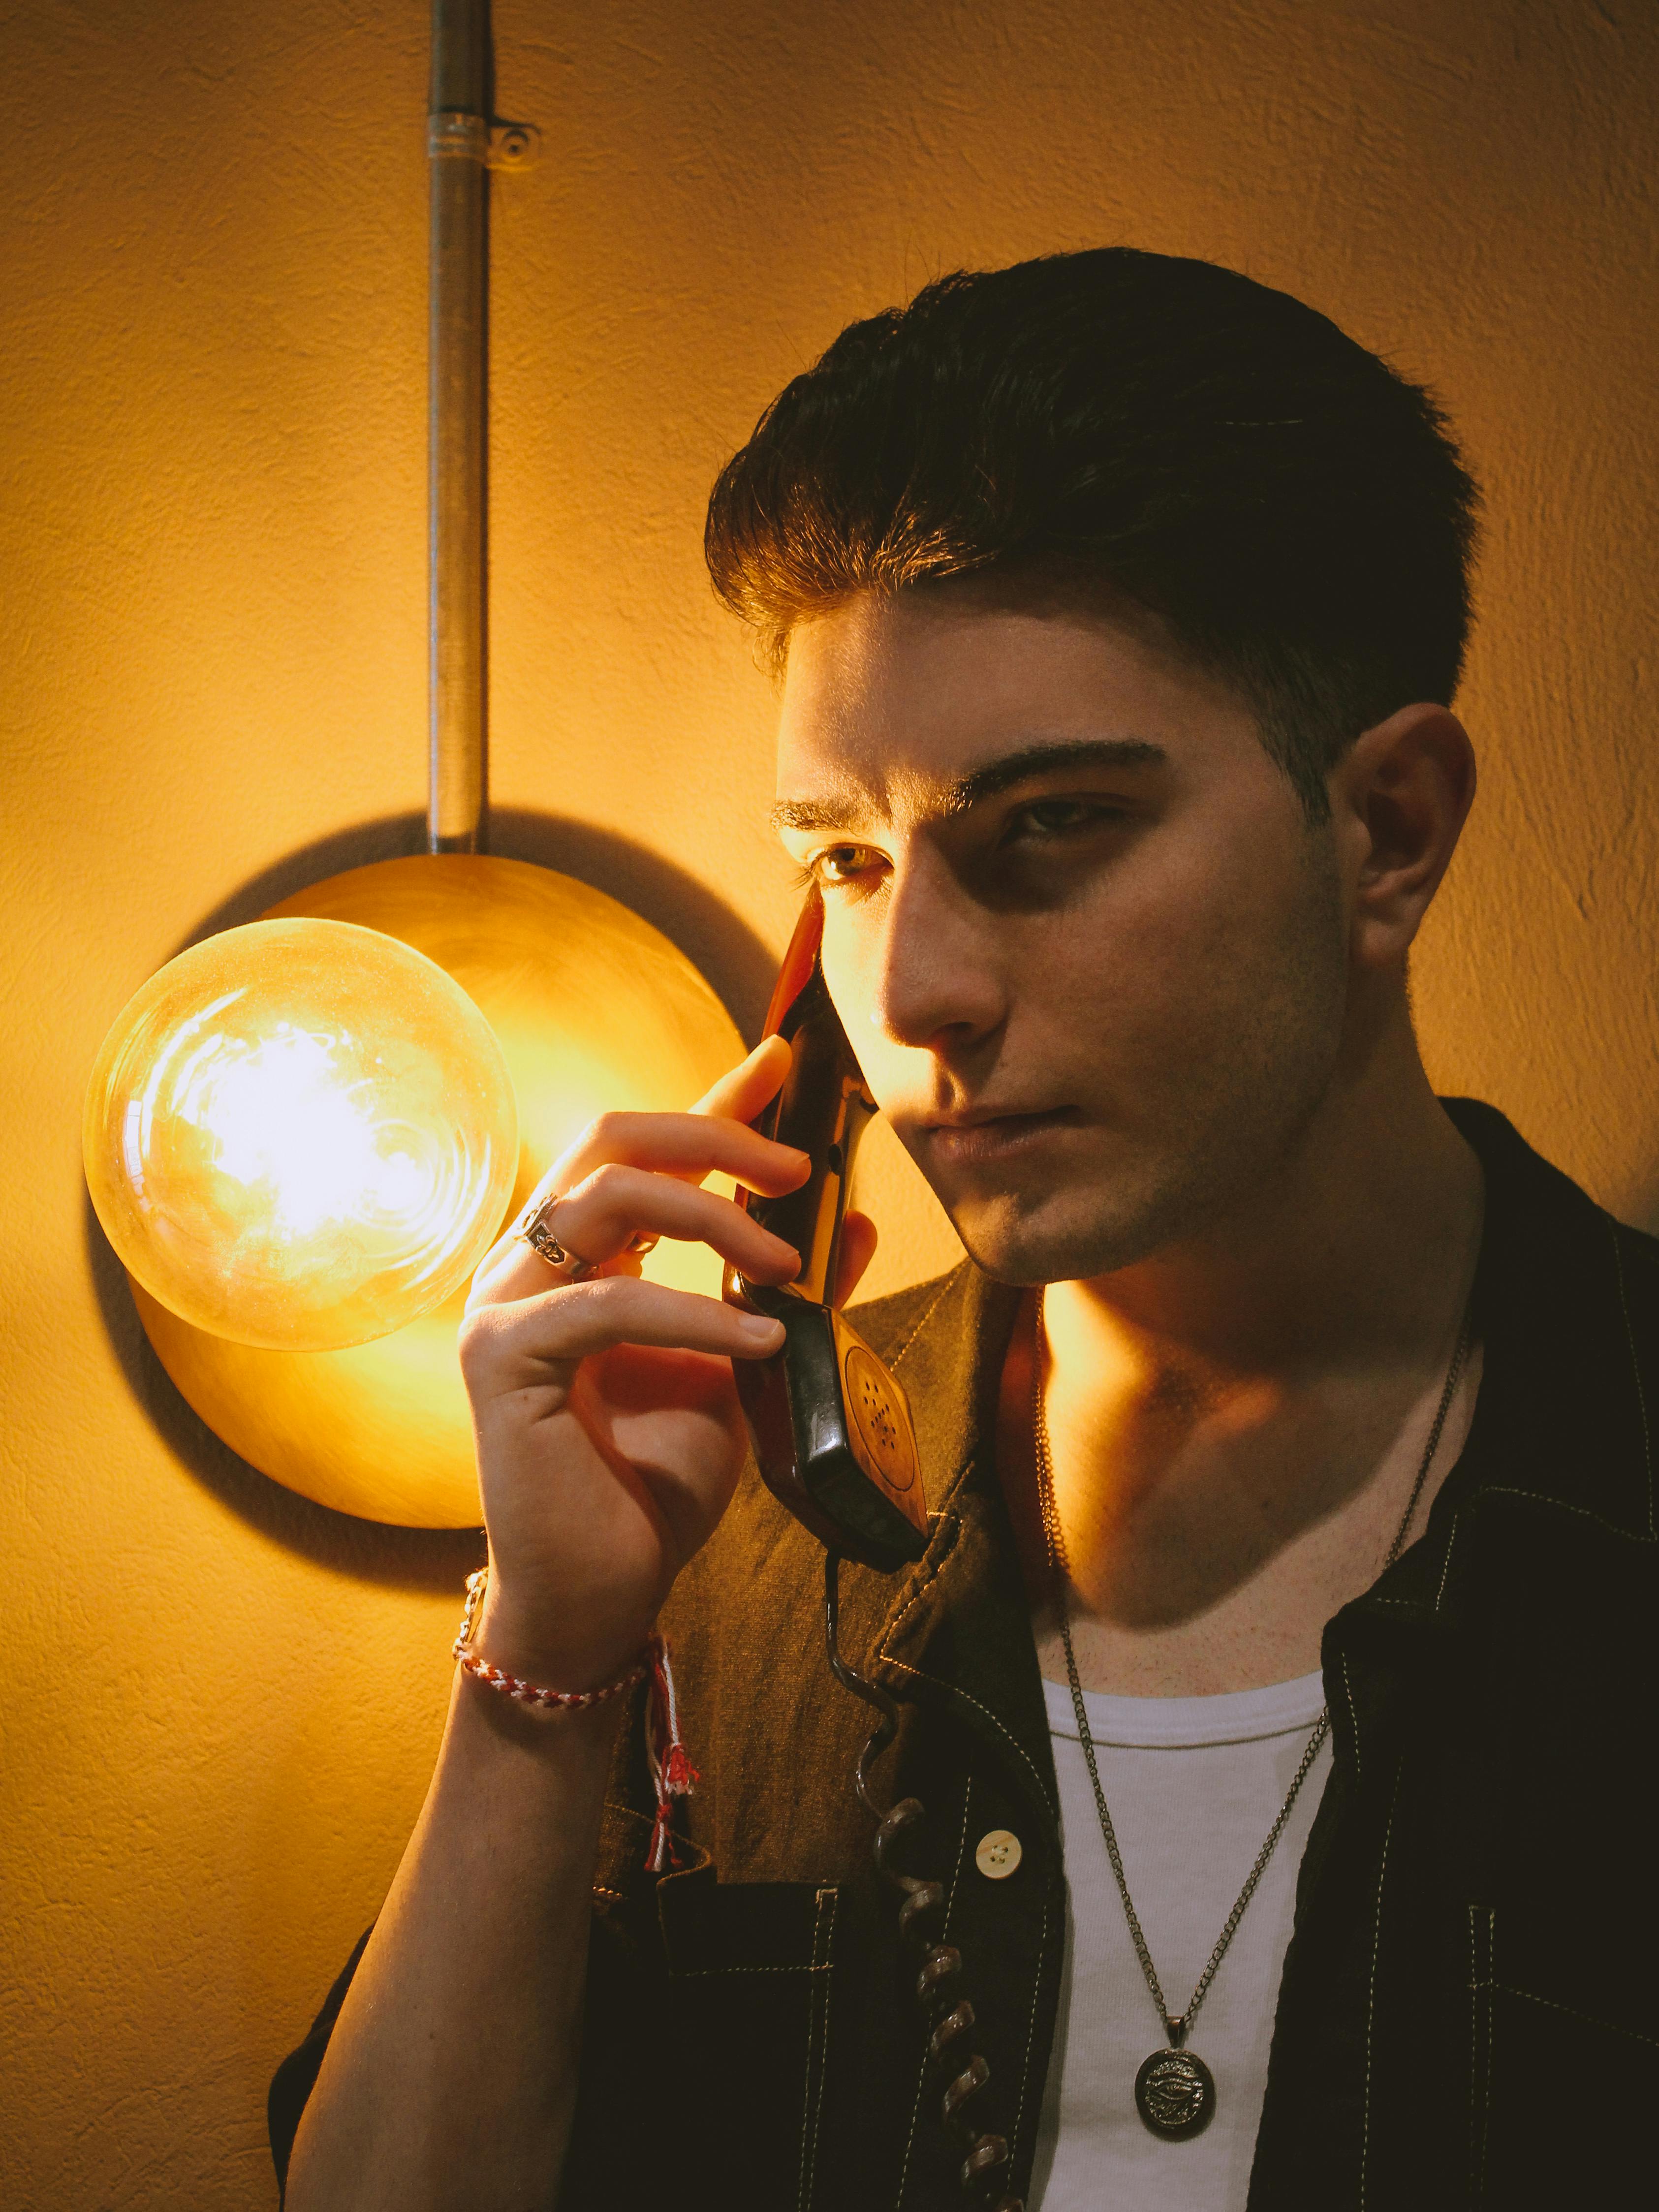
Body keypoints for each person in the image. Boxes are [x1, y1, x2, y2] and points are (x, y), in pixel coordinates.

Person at [273, 249, 1659, 2212]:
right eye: (844, 857)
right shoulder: (744, 1515)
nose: (908, 986)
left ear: (1392, 832)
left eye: (1054, 826)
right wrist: (558, 1656)